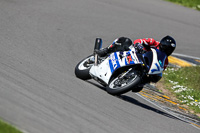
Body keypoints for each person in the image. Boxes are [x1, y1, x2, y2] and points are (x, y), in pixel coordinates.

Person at [95, 35, 176, 83]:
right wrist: (139, 45)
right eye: (166, 48)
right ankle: (106, 50)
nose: (167, 51)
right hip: (135, 54)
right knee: (126, 41)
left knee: (141, 85)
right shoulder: (153, 42)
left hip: (143, 67)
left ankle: (130, 81)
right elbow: (139, 41)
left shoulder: (165, 61)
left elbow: (159, 70)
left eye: (170, 50)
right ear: (162, 44)